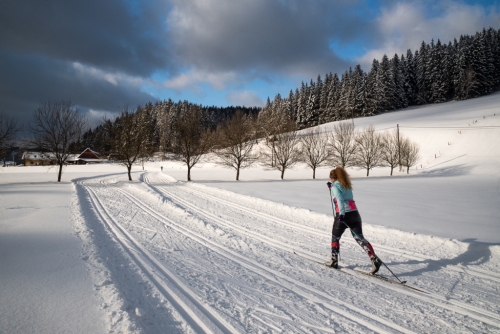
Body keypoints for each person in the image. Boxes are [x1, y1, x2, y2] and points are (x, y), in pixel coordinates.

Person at [326, 166, 381, 274]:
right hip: (355, 214)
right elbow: (343, 194)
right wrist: (332, 187)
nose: (330, 179)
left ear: (333, 177)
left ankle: (334, 261)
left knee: (335, 237)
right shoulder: (346, 185)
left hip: (343, 214)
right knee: (359, 238)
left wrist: (341, 214)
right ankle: (374, 258)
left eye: (331, 178)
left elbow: (340, 200)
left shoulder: (335, 187)